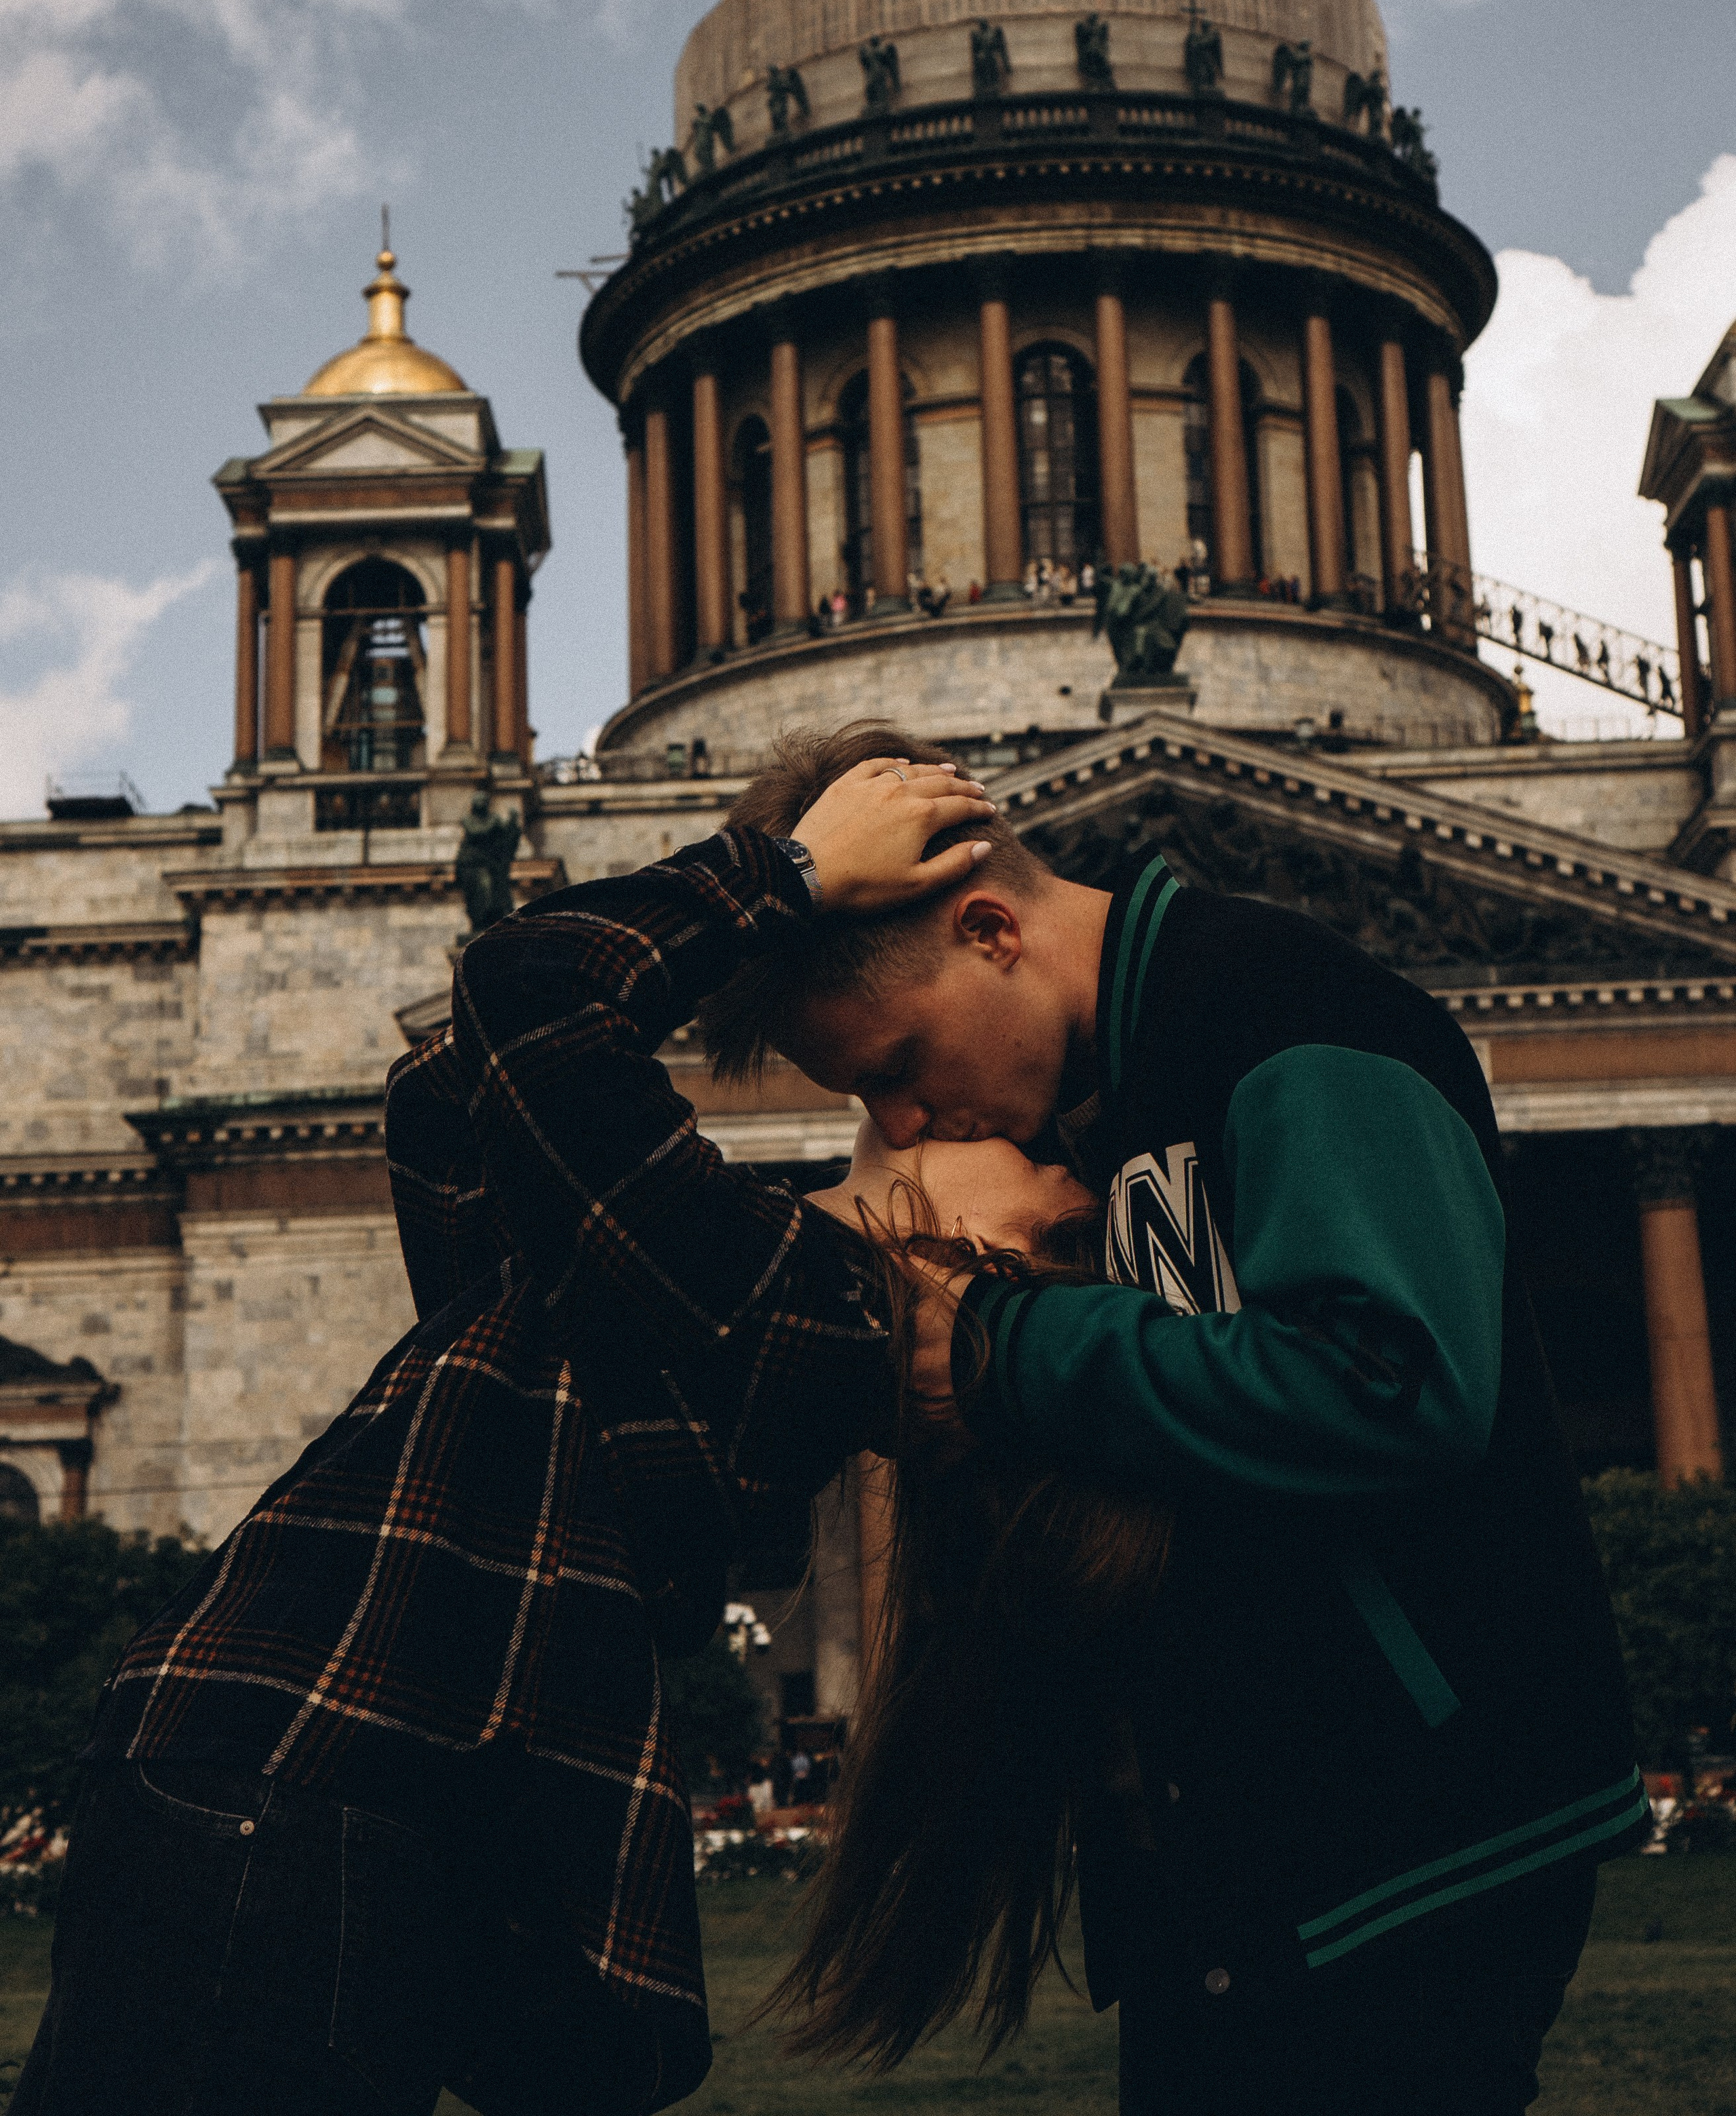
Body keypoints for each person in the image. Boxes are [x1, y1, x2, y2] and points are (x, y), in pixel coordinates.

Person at [12, 760, 1056, 2116]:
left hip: (292, 1769)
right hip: (279, 1778)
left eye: (1015, 1152)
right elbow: (452, 1099)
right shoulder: (692, 1287)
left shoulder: (807, 1312)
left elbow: (527, 994)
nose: (915, 1111)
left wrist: (782, 884)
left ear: (976, 1265)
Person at [699, 725, 1644, 2116]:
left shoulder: (1281, 1010)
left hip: (1407, 1844)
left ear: (987, 927)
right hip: (1231, 1865)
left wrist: (1006, 1350)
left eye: (893, 1064)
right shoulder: (1096, 1103)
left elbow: (1394, 1384)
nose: (898, 1123)